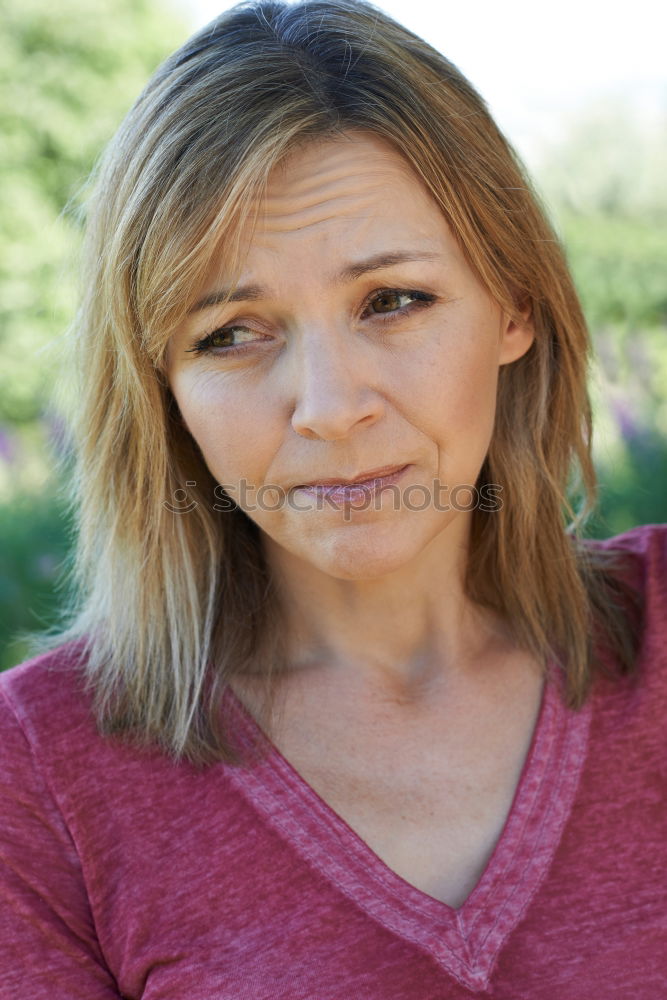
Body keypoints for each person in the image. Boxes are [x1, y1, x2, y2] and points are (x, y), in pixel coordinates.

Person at [1, 0, 665, 996]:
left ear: (514, 306)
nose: (330, 407)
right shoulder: (40, 774)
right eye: (231, 333)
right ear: (162, 386)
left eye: (392, 301)